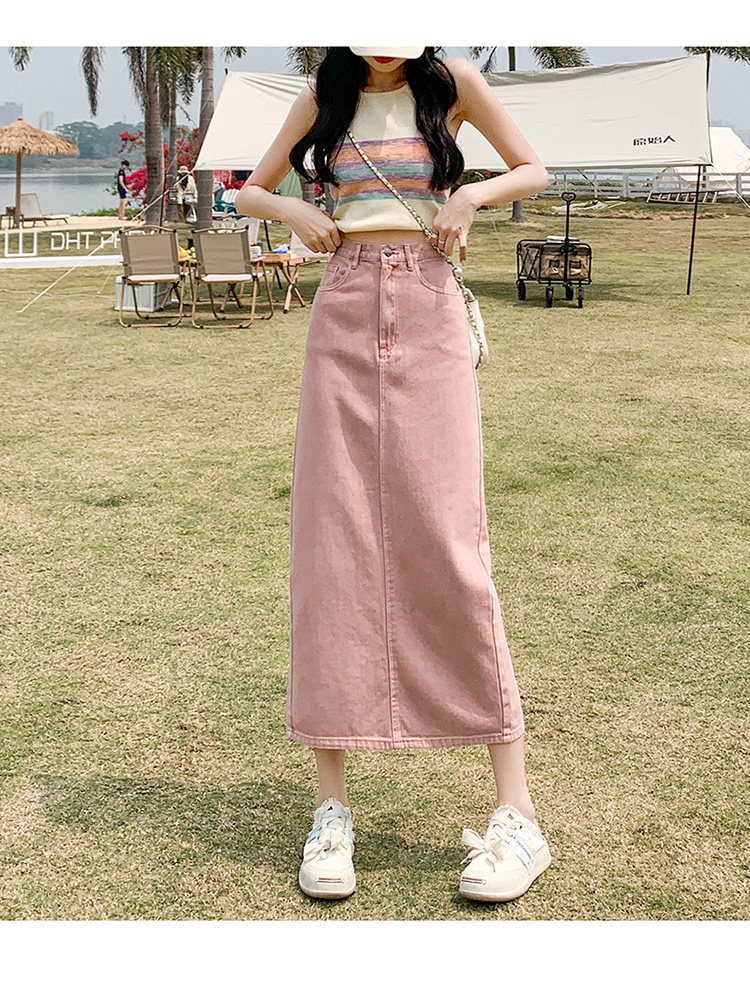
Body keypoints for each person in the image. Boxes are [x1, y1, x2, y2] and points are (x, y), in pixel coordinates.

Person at [235, 47, 551, 905]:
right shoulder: (324, 92)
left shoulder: (452, 84)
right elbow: (250, 189)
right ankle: (331, 809)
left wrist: (472, 195)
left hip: (429, 304)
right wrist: (292, 210)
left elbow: (532, 168)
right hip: (341, 304)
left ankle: (518, 816)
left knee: (452, 544)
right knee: (331, 548)